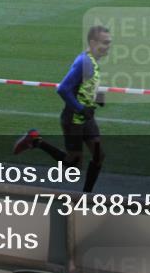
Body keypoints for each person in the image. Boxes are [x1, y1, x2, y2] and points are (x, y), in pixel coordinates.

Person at [13, 25, 111, 193]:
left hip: (86, 118)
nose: (109, 45)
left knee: (99, 156)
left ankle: (86, 197)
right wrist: (80, 109)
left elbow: (89, 83)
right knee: (73, 165)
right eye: (105, 42)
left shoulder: (94, 60)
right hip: (74, 118)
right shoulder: (84, 62)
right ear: (93, 42)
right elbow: (63, 89)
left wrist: (98, 97)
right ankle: (36, 141)